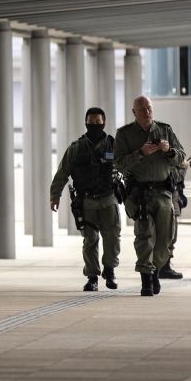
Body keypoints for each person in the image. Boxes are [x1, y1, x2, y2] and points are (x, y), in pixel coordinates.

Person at [114, 96, 187, 297]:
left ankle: (156, 268)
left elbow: (181, 156)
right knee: (145, 236)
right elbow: (118, 163)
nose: (147, 112)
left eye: (149, 108)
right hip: (140, 194)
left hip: (163, 193)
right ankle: (147, 278)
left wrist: (168, 150)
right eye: (142, 109)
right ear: (134, 112)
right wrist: (140, 153)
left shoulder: (165, 130)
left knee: (165, 238)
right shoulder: (125, 134)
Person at [50, 106, 121, 292]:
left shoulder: (114, 146)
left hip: (109, 198)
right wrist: (54, 196)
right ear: (86, 123)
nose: (95, 125)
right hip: (86, 200)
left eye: (98, 122)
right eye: (91, 122)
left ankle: (110, 270)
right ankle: (92, 277)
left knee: (112, 237)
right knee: (90, 239)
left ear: (104, 122)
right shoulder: (76, 148)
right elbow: (62, 173)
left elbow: (127, 168)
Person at [160, 157, 190, 281]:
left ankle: (162, 265)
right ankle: (164, 267)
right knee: (170, 234)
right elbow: (175, 177)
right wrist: (183, 167)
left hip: (168, 200)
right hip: (169, 201)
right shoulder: (165, 160)